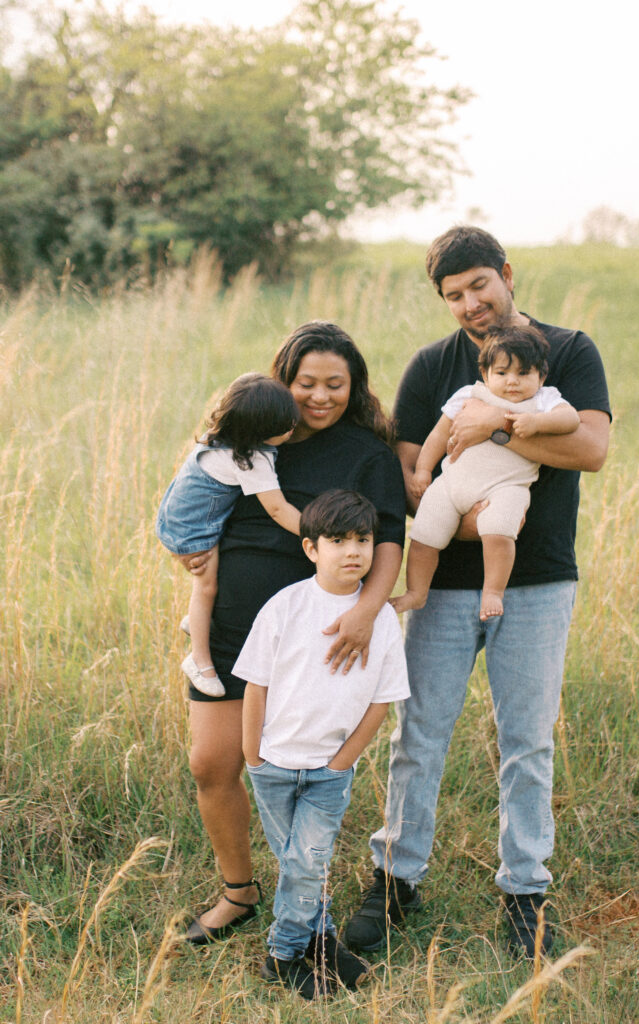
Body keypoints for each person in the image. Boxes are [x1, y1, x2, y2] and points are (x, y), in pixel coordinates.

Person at [343, 226, 611, 959]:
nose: (469, 304)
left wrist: (497, 424)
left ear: (506, 274)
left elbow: (590, 448)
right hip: (444, 584)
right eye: (453, 294)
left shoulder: (569, 351)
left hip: (540, 578)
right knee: (419, 732)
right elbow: (413, 477)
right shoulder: (434, 366)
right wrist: (476, 521)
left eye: (479, 286)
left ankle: (525, 890)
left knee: (527, 740)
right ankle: (396, 879)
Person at [182, 321, 406, 947]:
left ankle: (303, 905)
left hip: (314, 637)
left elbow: (390, 539)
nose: (320, 396)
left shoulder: (367, 454)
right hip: (232, 621)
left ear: (354, 387)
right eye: (307, 383)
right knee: (211, 762)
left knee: (303, 773)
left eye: (336, 384)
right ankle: (239, 892)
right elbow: (196, 500)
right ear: (284, 380)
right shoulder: (249, 436)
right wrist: (189, 550)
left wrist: (366, 612)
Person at [235, 490, 410, 999]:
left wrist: (341, 763)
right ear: (311, 548)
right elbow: (256, 684)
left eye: (363, 539)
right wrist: (252, 755)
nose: (353, 550)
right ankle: (320, 940)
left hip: (328, 772)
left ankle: (282, 954)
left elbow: (382, 700)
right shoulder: (285, 606)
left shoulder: (380, 619)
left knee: (306, 863)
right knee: (302, 866)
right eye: (337, 540)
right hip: (273, 764)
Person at [390, 324, 579, 621]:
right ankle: (416, 591)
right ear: (486, 373)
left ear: (541, 376)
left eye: (523, 373)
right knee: (424, 536)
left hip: (505, 488)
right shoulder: (469, 395)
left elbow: (570, 419)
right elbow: (439, 435)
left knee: (498, 531)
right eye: (502, 373)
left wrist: (537, 423)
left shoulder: (544, 400)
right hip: (452, 484)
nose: (512, 381)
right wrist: (423, 470)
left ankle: (493, 591)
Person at [156, 372, 300, 697]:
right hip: (190, 527)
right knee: (206, 586)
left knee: (210, 584)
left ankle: (197, 620)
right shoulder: (250, 459)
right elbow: (277, 509)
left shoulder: (227, 435)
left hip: (177, 512)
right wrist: (316, 531)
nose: (293, 426)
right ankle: (199, 661)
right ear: (259, 431)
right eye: (285, 425)